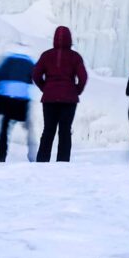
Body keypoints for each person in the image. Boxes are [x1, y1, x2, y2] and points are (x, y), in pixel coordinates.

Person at [33, 25, 87, 162]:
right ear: (70, 39)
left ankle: (42, 161)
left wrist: (45, 88)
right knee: (65, 131)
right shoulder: (75, 57)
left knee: (48, 130)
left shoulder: (46, 55)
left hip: (49, 99)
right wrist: (76, 91)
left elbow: (36, 74)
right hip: (69, 99)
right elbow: (83, 77)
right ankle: (63, 162)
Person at [0, 46, 36, 162]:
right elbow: (36, 77)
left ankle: (1, 158)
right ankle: (33, 156)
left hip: (7, 100)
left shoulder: (8, 60)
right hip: (22, 101)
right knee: (28, 129)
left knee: (4, 131)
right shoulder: (29, 62)